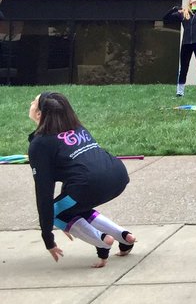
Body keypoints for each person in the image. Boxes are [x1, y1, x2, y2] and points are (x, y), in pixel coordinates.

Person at [27, 91, 136, 268]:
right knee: (72, 207)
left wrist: (48, 237)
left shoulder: (40, 144)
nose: (31, 103)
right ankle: (124, 237)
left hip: (90, 185)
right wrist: (68, 219)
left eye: (34, 101)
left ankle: (102, 241)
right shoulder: (77, 128)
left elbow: (44, 193)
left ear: (39, 114)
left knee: (55, 211)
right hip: (118, 175)